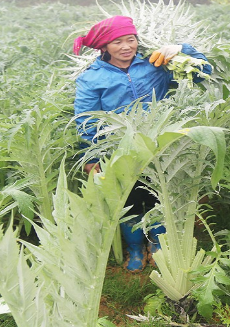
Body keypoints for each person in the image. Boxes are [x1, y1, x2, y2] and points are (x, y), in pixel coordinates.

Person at [73, 15, 212, 271]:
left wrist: (182, 50)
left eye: (131, 40)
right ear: (104, 47)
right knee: (131, 200)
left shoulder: (155, 65)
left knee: (160, 195)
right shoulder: (91, 79)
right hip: (119, 149)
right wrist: (90, 157)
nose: (126, 47)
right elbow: (86, 120)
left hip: (159, 143)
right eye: (117, 42)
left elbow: (202, 74)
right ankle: (136, 248)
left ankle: (157, 244)